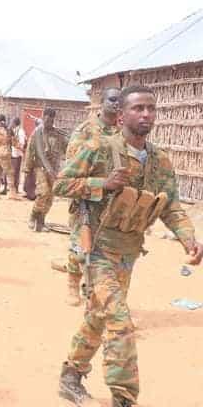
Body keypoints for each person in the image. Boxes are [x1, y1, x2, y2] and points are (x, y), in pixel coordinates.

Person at [54, 85, 203, 407]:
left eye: (151, 108)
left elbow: (171, 206)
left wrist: (188, 238)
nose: (146, 114)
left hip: (128, 252)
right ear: (121, 116)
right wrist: (101, 183)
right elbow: (61, 184)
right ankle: (124, 398)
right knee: (119, 322)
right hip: (97, 249)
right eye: (138, 108)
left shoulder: (160, 160)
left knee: (98, 316)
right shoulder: (99, 149)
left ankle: (70, 375)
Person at [54, 87, 121, 306]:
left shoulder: (122, 131)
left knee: (108, 252)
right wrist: (98, 184)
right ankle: (73, 284)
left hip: (113, 204)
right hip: (87, 199)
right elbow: (71, 173)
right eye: (112, 99)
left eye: (120, 100)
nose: (116, 103)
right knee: (80, 248)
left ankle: (94, 290)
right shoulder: (85, 130)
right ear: (102, 102)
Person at [23, 108, 68, 231]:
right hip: (40, 168)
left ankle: (41, 221)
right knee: (43, 193)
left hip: (54, 169)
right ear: (43, 118)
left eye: (51, 119)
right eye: (46, 119)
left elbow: (67, 148)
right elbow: (30, 151)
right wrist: (27, 169)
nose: (48, 121)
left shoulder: (58, 134)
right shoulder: (37, 134)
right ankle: (33, 216)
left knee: (50, 196)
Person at [0, 114, 21, 200]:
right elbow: (14, 142)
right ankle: (12, 193)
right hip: (5, 153)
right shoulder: (8, 129)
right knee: (9, 173)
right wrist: (21, 147)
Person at [10, 117, 26, 194]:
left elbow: (22, 143)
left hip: (18, 154)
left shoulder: (20, 131)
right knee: (13, 172)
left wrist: (17, 146)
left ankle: (15, 188)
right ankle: (13, 188)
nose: (11, 123)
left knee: (16, 172)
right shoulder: (14, 130)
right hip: (13, 153)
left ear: (15, 123)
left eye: (12, 122)